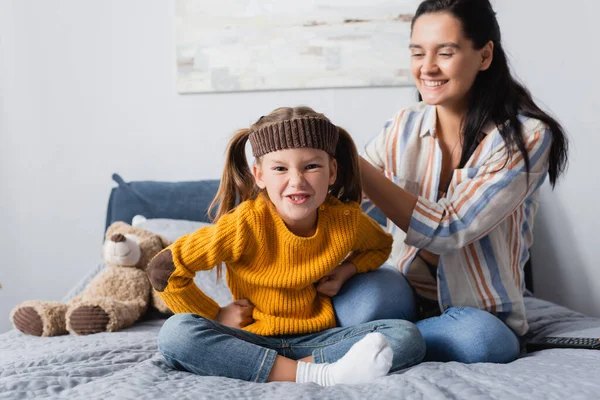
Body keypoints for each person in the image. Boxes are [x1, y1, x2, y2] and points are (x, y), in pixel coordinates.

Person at [338, 0, 569, 364]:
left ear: (484, 55)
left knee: (482, 342)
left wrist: (353, 161)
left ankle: (380, 341)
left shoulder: (526, 138)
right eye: (417, 53)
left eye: (445, 53)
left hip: (476, 310)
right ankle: (388, 337)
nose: (427, 67)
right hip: (403, 292)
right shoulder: (402, 125)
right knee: (359, 303)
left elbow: (449, 228)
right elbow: (349, 205)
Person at [147, 106, 425, 385]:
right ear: (259, 175)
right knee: (176, 333)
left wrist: (347, 271)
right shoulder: (243, 224)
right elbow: (163, 268)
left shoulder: (345, 220)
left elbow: (380, 246)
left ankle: (287, 371)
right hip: (250, 339)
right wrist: (215, 314)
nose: (297, 181)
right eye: (280, 168)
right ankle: (317, 374)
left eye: (311, 166)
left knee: (405, 335)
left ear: (332, 171)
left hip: (319, 340)